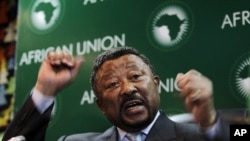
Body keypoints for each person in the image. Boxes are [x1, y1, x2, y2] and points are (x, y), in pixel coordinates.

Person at [2, 47, 229, 141]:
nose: (127, 89)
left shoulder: (199, 135)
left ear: (157, 84)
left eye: (135, 77)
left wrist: (211, 125)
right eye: (112, 84)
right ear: (101, 105)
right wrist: (45, 90)